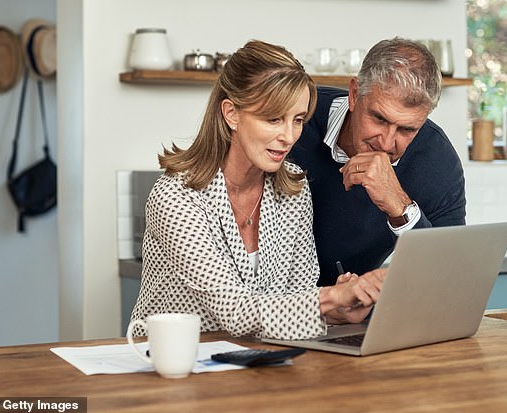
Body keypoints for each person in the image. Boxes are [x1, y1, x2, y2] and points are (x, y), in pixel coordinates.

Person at [130, 40, 384, 341]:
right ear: (231, 114)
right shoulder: (176, 196)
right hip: (172, 364)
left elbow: (296, 296)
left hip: (258, 363)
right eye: (273, 118)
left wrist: (335, 313)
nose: (289, 136)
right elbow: (235, 311)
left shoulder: (294, 191)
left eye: (298, 119)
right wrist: (332, 297)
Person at [289, 38, 466, 286]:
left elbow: (448, 277)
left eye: (406, 129)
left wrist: (401, 209)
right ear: (354, 94)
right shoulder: (296, 120)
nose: (386, 142)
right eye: (379, 119)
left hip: (354, 312)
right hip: (273, 308)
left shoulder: (437, 160)